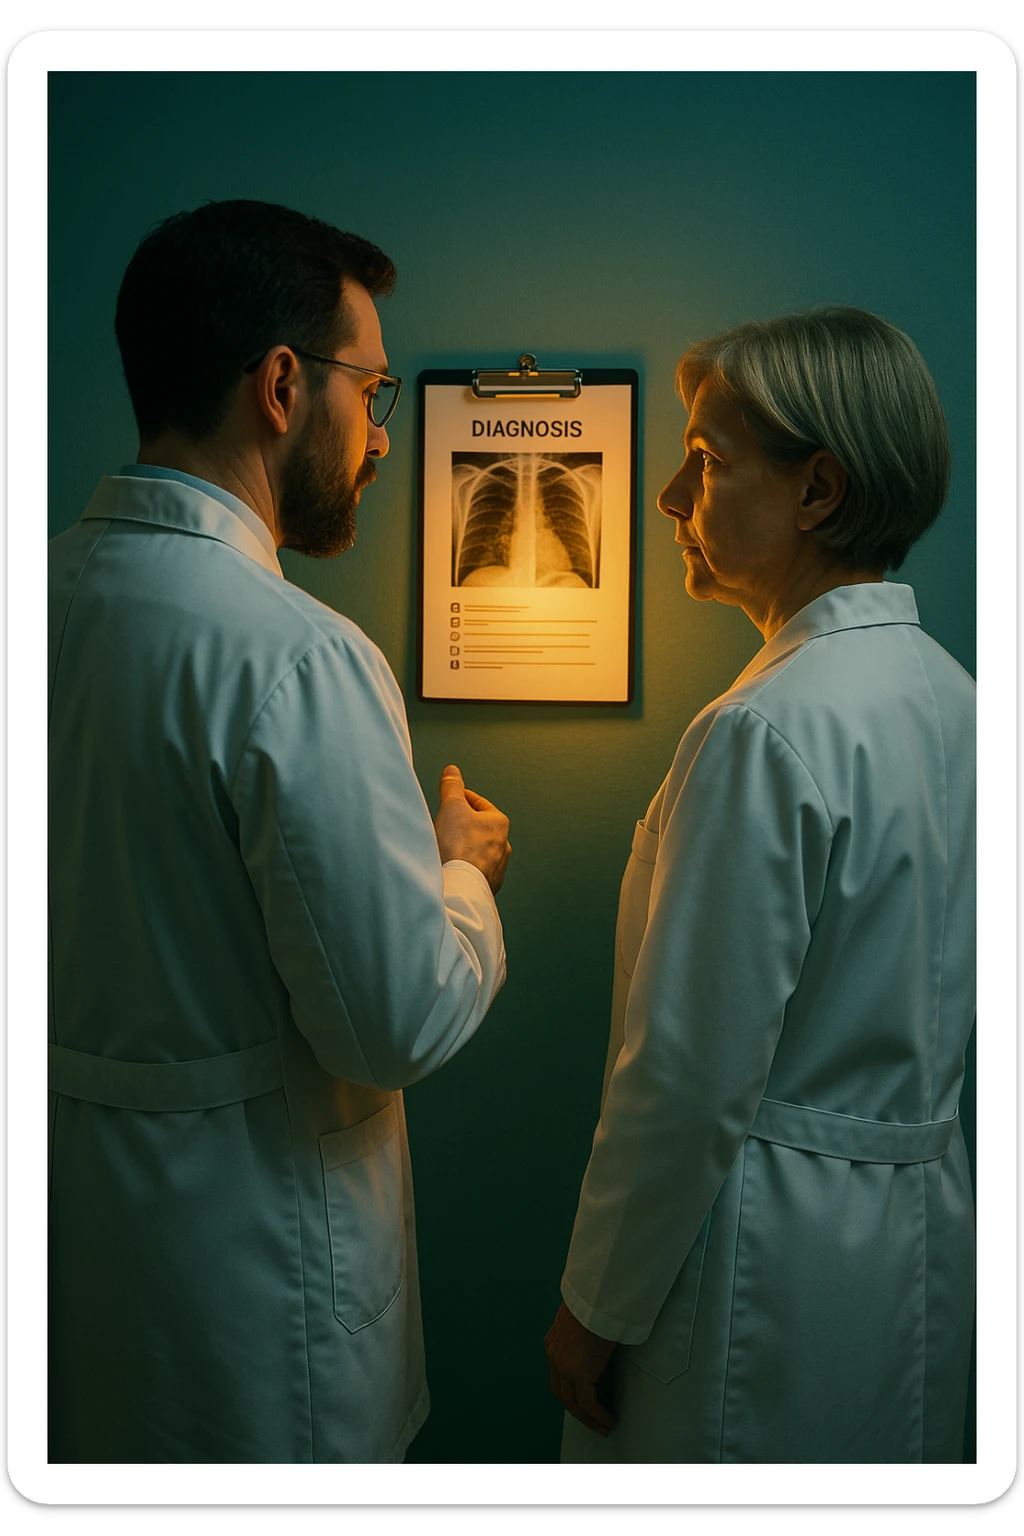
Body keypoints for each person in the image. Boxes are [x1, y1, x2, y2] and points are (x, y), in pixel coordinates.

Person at [48, 200, 512, 1464]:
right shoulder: (297, 657)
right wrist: (460, 876)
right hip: (260, 1315)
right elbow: (394, 1020)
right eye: (374, 390)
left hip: (77, 1275)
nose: (379, 436)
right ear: (282, 385)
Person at [545, 307, 975, 1463]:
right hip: (922, 1248)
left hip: (757, 1274)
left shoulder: (765, 730)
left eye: (706, 460)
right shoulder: (961, 704)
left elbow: (686, 1077)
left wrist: (593, 1308)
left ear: (817, 490)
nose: (669, 498)